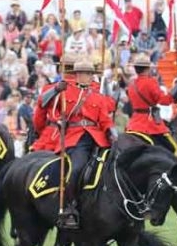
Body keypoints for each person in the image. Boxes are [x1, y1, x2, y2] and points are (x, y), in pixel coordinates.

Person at [34, 60, 116, 230]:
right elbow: (45, 105)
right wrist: (57, 91)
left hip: (97, 138)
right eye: (85, 73)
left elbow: (105, 120)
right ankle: (70, 207)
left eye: (90, 74)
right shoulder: (64, 91)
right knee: (77, 168)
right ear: (77, 74)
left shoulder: (97, 96)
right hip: (75, 138)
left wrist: (111, 132)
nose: (88, 77)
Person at [126, 53, 177, 155]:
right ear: (147, 68)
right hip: (149, 122)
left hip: (134, 123)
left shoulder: (131, 84)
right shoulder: (150, 82)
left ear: (135, 69)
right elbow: (165, 101)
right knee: (173, 148)